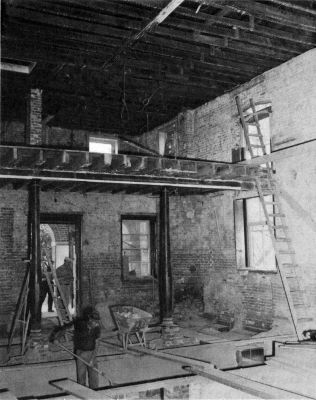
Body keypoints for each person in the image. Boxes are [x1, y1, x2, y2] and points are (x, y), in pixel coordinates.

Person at [49, 306, 101, 389]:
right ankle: (82, 393)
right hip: (80, 353)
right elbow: (64, 329)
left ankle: (95, 392)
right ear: (88, 319)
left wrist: (92, 358)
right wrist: (56, 338)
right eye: (94, 321)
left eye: (97, 321)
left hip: (91, 353)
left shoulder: (96, 328)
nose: (96, 323)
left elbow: (97, 343)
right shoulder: (79, 323)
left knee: (94, 376)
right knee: (81, 376)